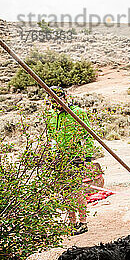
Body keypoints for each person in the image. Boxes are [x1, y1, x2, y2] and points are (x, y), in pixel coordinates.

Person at [46, 86, 98, 235]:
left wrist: (86, 156)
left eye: (59, 98)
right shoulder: (52, 116)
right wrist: (51, 155)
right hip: (59, 159)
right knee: (65, 191)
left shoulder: (77, 113)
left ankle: (83, 223)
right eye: (53, 100)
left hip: (76, 157)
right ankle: (72, 223)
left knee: (77, 190)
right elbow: (51, 138)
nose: (57, 102)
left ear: (65, 97)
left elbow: (88, 135)